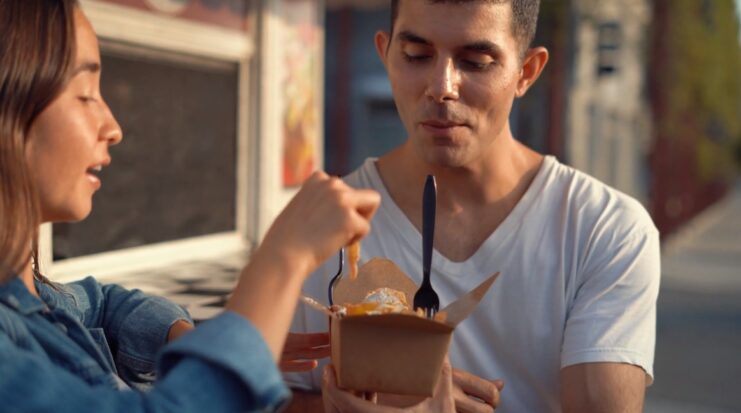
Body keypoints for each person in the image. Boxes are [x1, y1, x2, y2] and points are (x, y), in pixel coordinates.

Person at [0, 0, 457, 411]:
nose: (113, 126)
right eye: (85, 95)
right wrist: (280, 260)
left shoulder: (34, 299)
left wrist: (211, 340)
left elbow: (100, 305)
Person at [286, 0, 661, 412]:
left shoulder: (602, 229)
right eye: (416, 55)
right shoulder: (318, 225)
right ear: (385, 53)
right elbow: (263, 396)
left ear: (526, 72)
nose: (441, 85)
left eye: (476, 61)